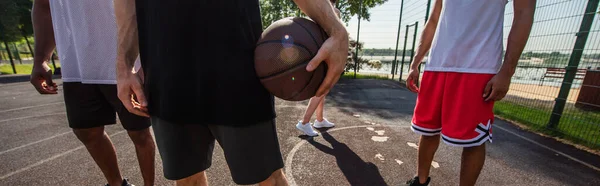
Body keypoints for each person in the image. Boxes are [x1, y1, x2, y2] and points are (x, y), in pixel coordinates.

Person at [114, 0, 348, 185]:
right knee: (187, 179)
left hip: (237, 62)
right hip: (165, 66)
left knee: (269, 178)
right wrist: (123, 62)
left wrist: (337, 30)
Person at [404, 0, 535, 186]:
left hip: (478, 67)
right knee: (428, 130)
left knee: (473, 140)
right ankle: (421, 181)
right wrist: (415, 63)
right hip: (436, 64)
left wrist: (507, 70)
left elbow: (524, 12)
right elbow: (433, 19)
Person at [30, 0, 156, 186]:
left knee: (139, 131)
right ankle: (116, 184)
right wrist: (41, 57)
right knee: (85, 130)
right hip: (77, 60)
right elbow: (43, 6)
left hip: (124, 58)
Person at [296, 0, 342, 137]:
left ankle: (320, 120)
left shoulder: (314, 8)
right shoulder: (335, 12)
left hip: (315, 50)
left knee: (322, 89)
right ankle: (304, 122)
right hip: (325, 53)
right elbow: (335, 34)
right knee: (322, 89)